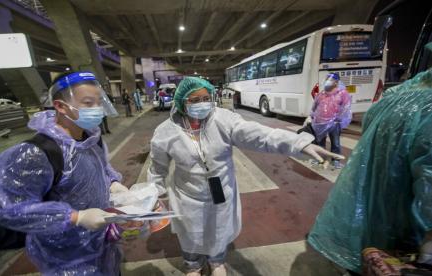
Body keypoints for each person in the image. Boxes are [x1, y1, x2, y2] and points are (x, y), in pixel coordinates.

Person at [147, 77, 344, 276]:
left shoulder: (223, 120)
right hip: (187, 197)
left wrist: (300, 143)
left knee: (219, 229)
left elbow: (261, 135)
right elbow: (157, 169)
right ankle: (193, 265)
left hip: (221, 192)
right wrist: (152, 197)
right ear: (182, 102)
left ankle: (216, 262)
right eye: (194, 100)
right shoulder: (166, 132)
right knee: (191, 233)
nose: (202, 104)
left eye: (206, 98)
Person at [0, 71, 132, 275]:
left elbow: (100, 171)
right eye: (88, 103)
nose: (97, 110)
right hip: (67, 258)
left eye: (99, 102)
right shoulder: (36, 152)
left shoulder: (90, 140)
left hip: (103, 246)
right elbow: (11, 209)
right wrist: (76, 217)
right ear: (60, 106)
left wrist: (113, 184)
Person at [307, 67, 432, 274]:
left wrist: (340, 121)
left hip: (375, 226)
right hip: (406, 235)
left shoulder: (394, 97)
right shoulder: (424, 107)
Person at [304, 73, 351, 169]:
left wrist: (339, 119)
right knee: (320, 142)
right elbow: (314, 107)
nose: (327, 81)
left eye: (330, 79)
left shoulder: (342, 93)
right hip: (320, 123)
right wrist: (310, 116)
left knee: (336, 143)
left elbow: (346, 108)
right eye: (326, 79)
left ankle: (336, 160)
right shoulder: (321, 94)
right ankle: (321, 159)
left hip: (334, 123)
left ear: (336, 82)